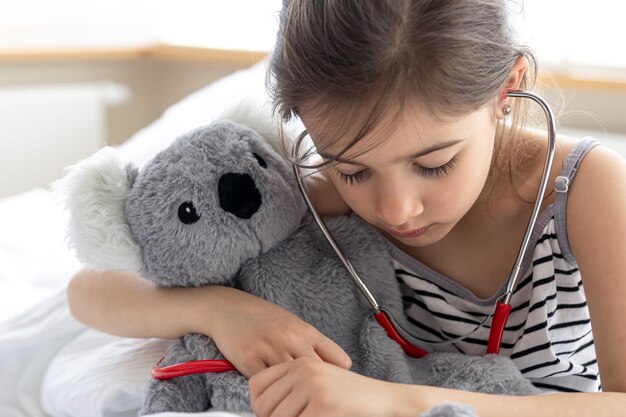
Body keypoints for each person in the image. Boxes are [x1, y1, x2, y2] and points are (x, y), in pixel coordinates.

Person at [67, 1, 626, 416]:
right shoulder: (321, 193)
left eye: (434, 164)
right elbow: (90, 290)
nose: (396, 208)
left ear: (508, 89)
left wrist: (392, 402)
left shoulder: (585, 192)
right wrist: (221, 311)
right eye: (355, 169)